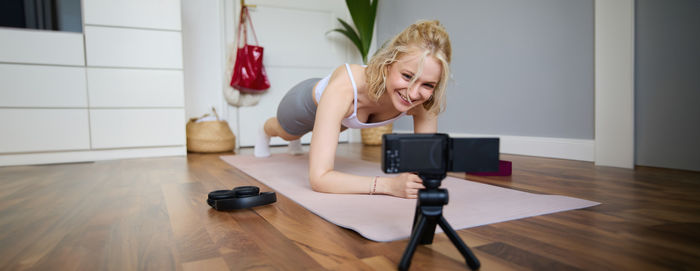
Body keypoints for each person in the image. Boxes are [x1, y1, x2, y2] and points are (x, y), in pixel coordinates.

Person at [254, 20, 451, 199]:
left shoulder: (424, 101)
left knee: (326, 131)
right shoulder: (344, 89)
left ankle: (298, 140)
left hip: (343, 116)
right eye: (408, 76)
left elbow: (425, 164)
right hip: (304, 103)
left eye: (428, 85)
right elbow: (319, 179)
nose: (413, 93)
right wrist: (388, 186)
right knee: (287, 133)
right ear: (388, 63)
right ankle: (264, 130)